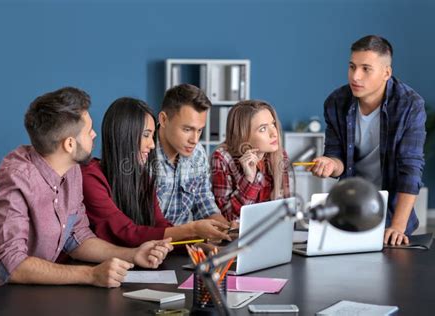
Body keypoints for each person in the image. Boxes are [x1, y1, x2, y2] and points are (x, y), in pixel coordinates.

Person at [0, 87, 172, 295]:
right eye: (88, 131)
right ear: (69, 144)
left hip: (30, 293)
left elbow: (77, 238)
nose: (94, 134)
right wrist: (91, 275)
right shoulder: (15, 179)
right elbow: (10, 265)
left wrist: (133, 254)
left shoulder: (73, 170)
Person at [308, 35, 426, 246]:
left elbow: (410, 168)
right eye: (352, 67)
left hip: (392, 213)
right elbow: (337, 158)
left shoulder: (410, 104)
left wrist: (397, 227)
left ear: (386, 73)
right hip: (350, 207)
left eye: (365, 69)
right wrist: (329, 163)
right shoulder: (336, 102)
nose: (356, 76)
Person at [81, 97, 232, 247]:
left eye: (152, 136)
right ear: (124, 135)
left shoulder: (142, 176)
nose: (152, 145)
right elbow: (126, 232)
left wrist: (192, 246)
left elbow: (160, 225)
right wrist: (190, 229)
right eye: (146, 135)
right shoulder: (91, 177)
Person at [154, 84, 232, 231]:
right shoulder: (143, 153)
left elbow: (204, 202)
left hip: (186, 245)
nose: (195, 140)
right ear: (164, 120)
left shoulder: (198, 154)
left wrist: (226, 228)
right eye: (187, 129)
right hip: (149, 246)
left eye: (199, 130)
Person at [211, 100, 290, 221]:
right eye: (263, 129)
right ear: (243, 135)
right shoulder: (222, 158)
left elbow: (285, 210)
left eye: (273, 124)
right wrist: (249, 179)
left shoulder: (280, 155)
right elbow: (227, 218)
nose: (274, 133)